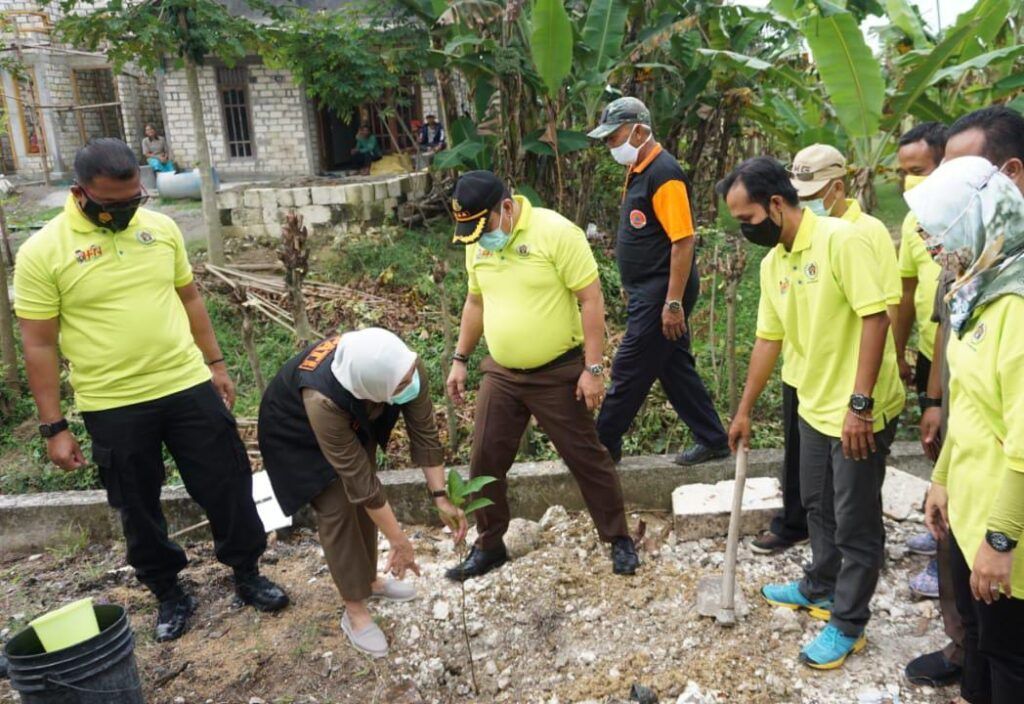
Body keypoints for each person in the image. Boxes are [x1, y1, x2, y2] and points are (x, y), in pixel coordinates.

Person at [14, 138, 288, 643]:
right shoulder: (42, 253)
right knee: (138, 506)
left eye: (133, 200)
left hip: (185, 383)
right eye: (111, 206)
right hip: (112, 402)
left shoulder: (159, 230)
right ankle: (168, 592)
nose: (124, 212)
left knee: (226, 484)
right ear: (80, 194)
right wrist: (55, 426)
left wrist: (216, 363)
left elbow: (189, 297)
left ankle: (247, 572)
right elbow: (39, 346)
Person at [721, 157, 904, 669]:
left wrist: (860, 405)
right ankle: (821, 585)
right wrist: (743, 411)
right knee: (816, 504)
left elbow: (875, 318)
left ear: (777, 204)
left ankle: (849, 623)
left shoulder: (841, 242)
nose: (744, 230)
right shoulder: (772, 262)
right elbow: (768, 338)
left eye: (748, 219)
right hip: (813, 404)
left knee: (855, 520)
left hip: (856, 408)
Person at [445, 170, 639, 580]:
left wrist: (593, 368)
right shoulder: (477, 241)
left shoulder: (557, 233)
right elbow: (475, 301)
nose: (481, 238)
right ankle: (490, 544)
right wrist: (461, 357)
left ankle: (618, 538)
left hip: (557, 370)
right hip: (502, 373)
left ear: (508, 207)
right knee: (484, 461)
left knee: (586, 457)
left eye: (485, 227)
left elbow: (590, 299)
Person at [905, 105, 1024, 693]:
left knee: (1009, 661)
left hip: (1008, 536)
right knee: (980, 648)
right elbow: (972, 409)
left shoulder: (1017, 305)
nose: (932, 243)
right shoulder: (979, 289)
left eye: (942, 229)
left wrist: (1000, 539)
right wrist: (944, 477)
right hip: (970, 509)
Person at [257, 328, 468, 658]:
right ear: (373, 390)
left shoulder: (402, 367)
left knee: (364, 490)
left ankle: (370, 580)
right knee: (337, 507)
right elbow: (363, 487)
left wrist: (440, 495)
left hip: (353, 415)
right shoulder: (322, 398)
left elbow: (425, 435)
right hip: (297, 432)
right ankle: (354, 609)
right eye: (401, 384)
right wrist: (400, 541)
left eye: (410, 374)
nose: (410, 381)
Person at [748, 144, 903, 557]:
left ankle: (855, 579)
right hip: (806, 380)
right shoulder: (781, 253)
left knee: (853, 499)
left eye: (813, 192)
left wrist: (867, 393)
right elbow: (771, 333)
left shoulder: (859, 234)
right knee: (813, 489)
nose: (805, 200)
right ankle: (822, 568)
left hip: (851, 384)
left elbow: (883, 311)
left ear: (836, 187)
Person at [586, 97, 729, 466]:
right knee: (673, 367)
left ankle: (603, 445)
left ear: (639, 130)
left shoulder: (664, 173)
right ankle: (713, 439)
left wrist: (673, 303)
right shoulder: (640, 169)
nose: (610, 146)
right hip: (650, 288)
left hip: (663, 290)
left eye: (614, 137)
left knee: (631, 366)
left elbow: (683, 240)